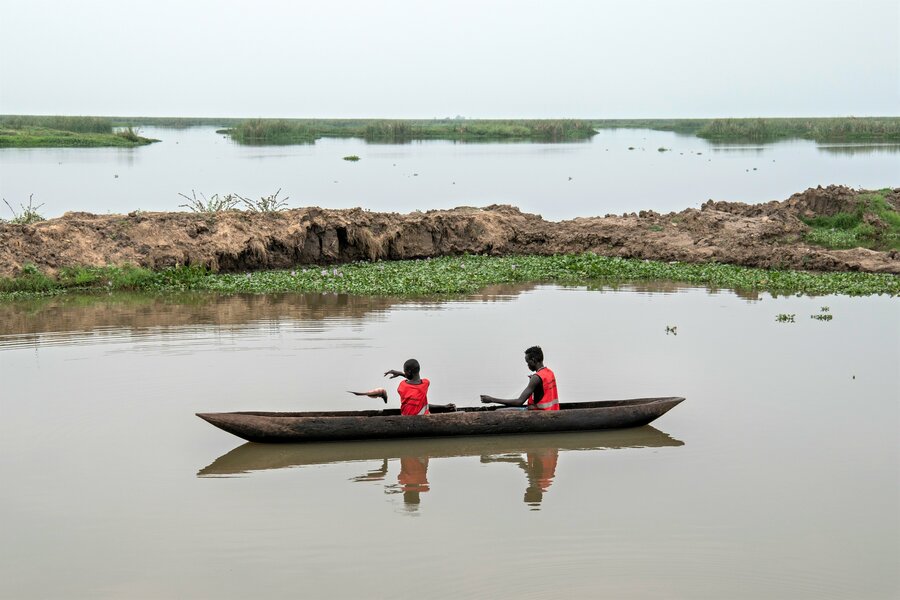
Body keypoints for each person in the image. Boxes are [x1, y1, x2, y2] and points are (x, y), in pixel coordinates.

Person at [479, 346, 559, 410]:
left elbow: (519, 402)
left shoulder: (536, 378)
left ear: (533, 360)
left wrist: (491, 399)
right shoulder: (549, 373)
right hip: (552, 411)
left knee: (498, 411)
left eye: (528, 362)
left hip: (539, 415)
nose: (527, 365)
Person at [384, 358, 455, 415]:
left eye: (404, 371)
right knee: (422, 402)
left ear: (408, 372)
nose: (404, 372)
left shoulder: (402, 386)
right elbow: (415, 380)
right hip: (423, 417)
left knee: (420, 403)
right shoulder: (426, 384)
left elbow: (409, 381)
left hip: (405, 418)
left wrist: (400, 374)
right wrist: (444, 407)